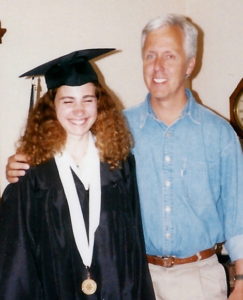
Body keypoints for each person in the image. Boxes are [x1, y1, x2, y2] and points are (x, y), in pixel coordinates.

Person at [5, 14, 243, 300]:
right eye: (150, 55)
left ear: (190, 64)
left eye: (170, 55)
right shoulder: (115, 132)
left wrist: (240, 282)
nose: (158, 66)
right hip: (135, 273)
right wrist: (20, 165)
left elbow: (238, 216)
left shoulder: (216, 134)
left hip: (192, 278)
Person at [0, 48, 155, 300]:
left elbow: (134, 247)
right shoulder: (32, 172)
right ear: (51, 107)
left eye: (88, 99)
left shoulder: (119, 164)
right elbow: (18, 260)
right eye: (68, 101)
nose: (79, 110)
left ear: (99, 103)